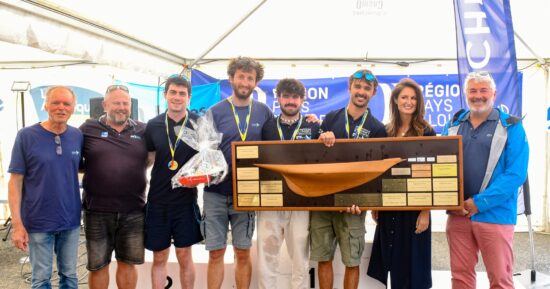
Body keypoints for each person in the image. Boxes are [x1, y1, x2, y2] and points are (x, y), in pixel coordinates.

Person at [442, 71, 529, 289]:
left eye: (483, 90)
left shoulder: (511, 126)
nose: (478, 95)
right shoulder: (453, 124)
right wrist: (451, 202)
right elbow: (440, 166)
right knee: (460, 278)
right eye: (472, 90)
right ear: (465, 94)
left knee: (500, 280)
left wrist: (478, 203)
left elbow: (515, 174)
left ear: (494, 93)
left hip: (495, 215)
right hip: (458, 214)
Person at [203, 56, 273, 289]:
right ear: (231, 78)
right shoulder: (214, 112)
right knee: (215, 253)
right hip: (215, 193)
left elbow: (275, 148)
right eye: (241, 76)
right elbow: (205, 152)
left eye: (250, 78)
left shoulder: (264, 112)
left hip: (247, 194)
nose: (245, 82)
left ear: (255, 83)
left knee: (243, 253)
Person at [315, 69, 387, 289]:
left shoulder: (377, 128)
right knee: (323, 258)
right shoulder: (330, 119)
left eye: (367, 88)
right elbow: (316, 159)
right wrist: (321, 137)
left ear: (373, 93)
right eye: (358, 86)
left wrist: (364, 201)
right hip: (324, 201)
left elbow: (375, 171)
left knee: (352, 261)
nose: (361, 91)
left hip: (354, 205)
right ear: (349, 88)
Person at [8, 86, 83, 289]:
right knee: (41, 279)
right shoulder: (26, 136)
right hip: (38, 221)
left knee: (70, 276)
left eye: (66, 104)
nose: (61, 108)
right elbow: (15, 181)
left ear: (73, 108)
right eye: (55, 102)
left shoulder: (77, 136)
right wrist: (17, 225)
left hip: (70, 221)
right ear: (46, 105)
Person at [367, 78, 434, 289]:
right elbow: (378, 170)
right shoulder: (385, 131)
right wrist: (377, 204)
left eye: (413, 98)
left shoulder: (427, 131)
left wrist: (425, 211)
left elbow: (432, 174)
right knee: (391, 263)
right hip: (390, 205)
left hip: (415, 207)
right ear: (395, 100)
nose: (409, 102)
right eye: (404, 97)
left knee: (414, 268)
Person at [80, 85, 148, 289]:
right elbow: (75, 161)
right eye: (116, 103)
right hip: (96, 211)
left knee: (128, 264)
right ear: (105, 105)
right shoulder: (87, 129)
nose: (121, 107)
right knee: (98, 266)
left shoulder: (143, 130)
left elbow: (150, 159)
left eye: (125, 103)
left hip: (133, 210)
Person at [258, 78, 320, 289]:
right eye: (286, 96)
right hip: (271, 200)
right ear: (279, 99)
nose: (290, 101)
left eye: (295, 97)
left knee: (301, 259)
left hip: (301, 200)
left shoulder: (313, 126)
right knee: (267, 258)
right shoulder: (267, 127)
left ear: (302, 100)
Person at [145, 76, 203, 289]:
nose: (177, 97)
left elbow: (207, 160)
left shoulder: (199, 124)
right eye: (173, 92)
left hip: (185, 201)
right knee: (159, 256)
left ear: (189, 97)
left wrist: (200, 176)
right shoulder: (153, 125)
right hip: (158, 200)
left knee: (184, 254)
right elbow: (149, 159)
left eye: (182, 93)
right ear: (166, 95)